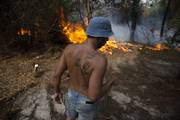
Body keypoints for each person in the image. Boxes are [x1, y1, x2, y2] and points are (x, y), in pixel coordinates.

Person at [50, 17, 115, 120]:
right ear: (99, 37)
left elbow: (56, 75)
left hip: (70, 96)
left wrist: (56, 92)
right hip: (86, 102)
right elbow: (93, 96)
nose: (107, 41)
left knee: (70, 118)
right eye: (106, 37)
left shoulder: (69, 49)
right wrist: (110, 83)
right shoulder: (100, 60)